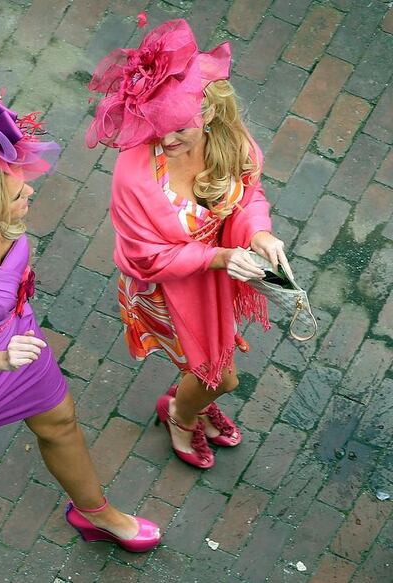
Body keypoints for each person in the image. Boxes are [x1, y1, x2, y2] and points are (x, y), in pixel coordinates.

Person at [0, 86, 161, 561]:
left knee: (61, 423)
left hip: (23, 345)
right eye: (20, 193)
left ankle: (94, 511)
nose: (32, 191)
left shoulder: (4, 226)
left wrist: (14, 345)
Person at [86, 19, 288, 470]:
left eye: (180, 127)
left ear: (211, 112)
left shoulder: (230, 141)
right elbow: (146, 256)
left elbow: (248, 195)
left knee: (209, 370)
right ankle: (180, 413)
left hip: (216, 271)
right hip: (166, 289)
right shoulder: (133, 177)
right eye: (157, 127)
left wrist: (259, 232)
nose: (167, 139)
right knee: (222, 377)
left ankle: (190, 397)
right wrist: (221, 256)